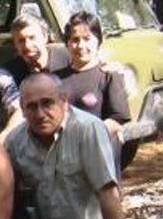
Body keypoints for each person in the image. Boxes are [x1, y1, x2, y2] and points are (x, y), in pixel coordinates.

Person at [4, 73, 154, 219]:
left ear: (63, 101)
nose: (40, 113)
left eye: (47, 103)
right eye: (31, 106)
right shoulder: (15, 142)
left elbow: (108, 193)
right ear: (22, 108)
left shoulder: (87, 129)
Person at [55, 11, 130, 143]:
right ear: (67, 43)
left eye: (87, 39)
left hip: (98, 151)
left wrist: (87, 137)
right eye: (75, 39)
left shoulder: (109, 75)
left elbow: (118, 119)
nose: (81, 45)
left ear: (99, 41)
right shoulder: (56, 78)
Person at [4, 14, 70, 86]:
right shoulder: (9, 74)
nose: (27, 45)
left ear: (45, 37)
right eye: (21, 41)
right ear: (15, 44)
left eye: (32, 38)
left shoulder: (68, 57)